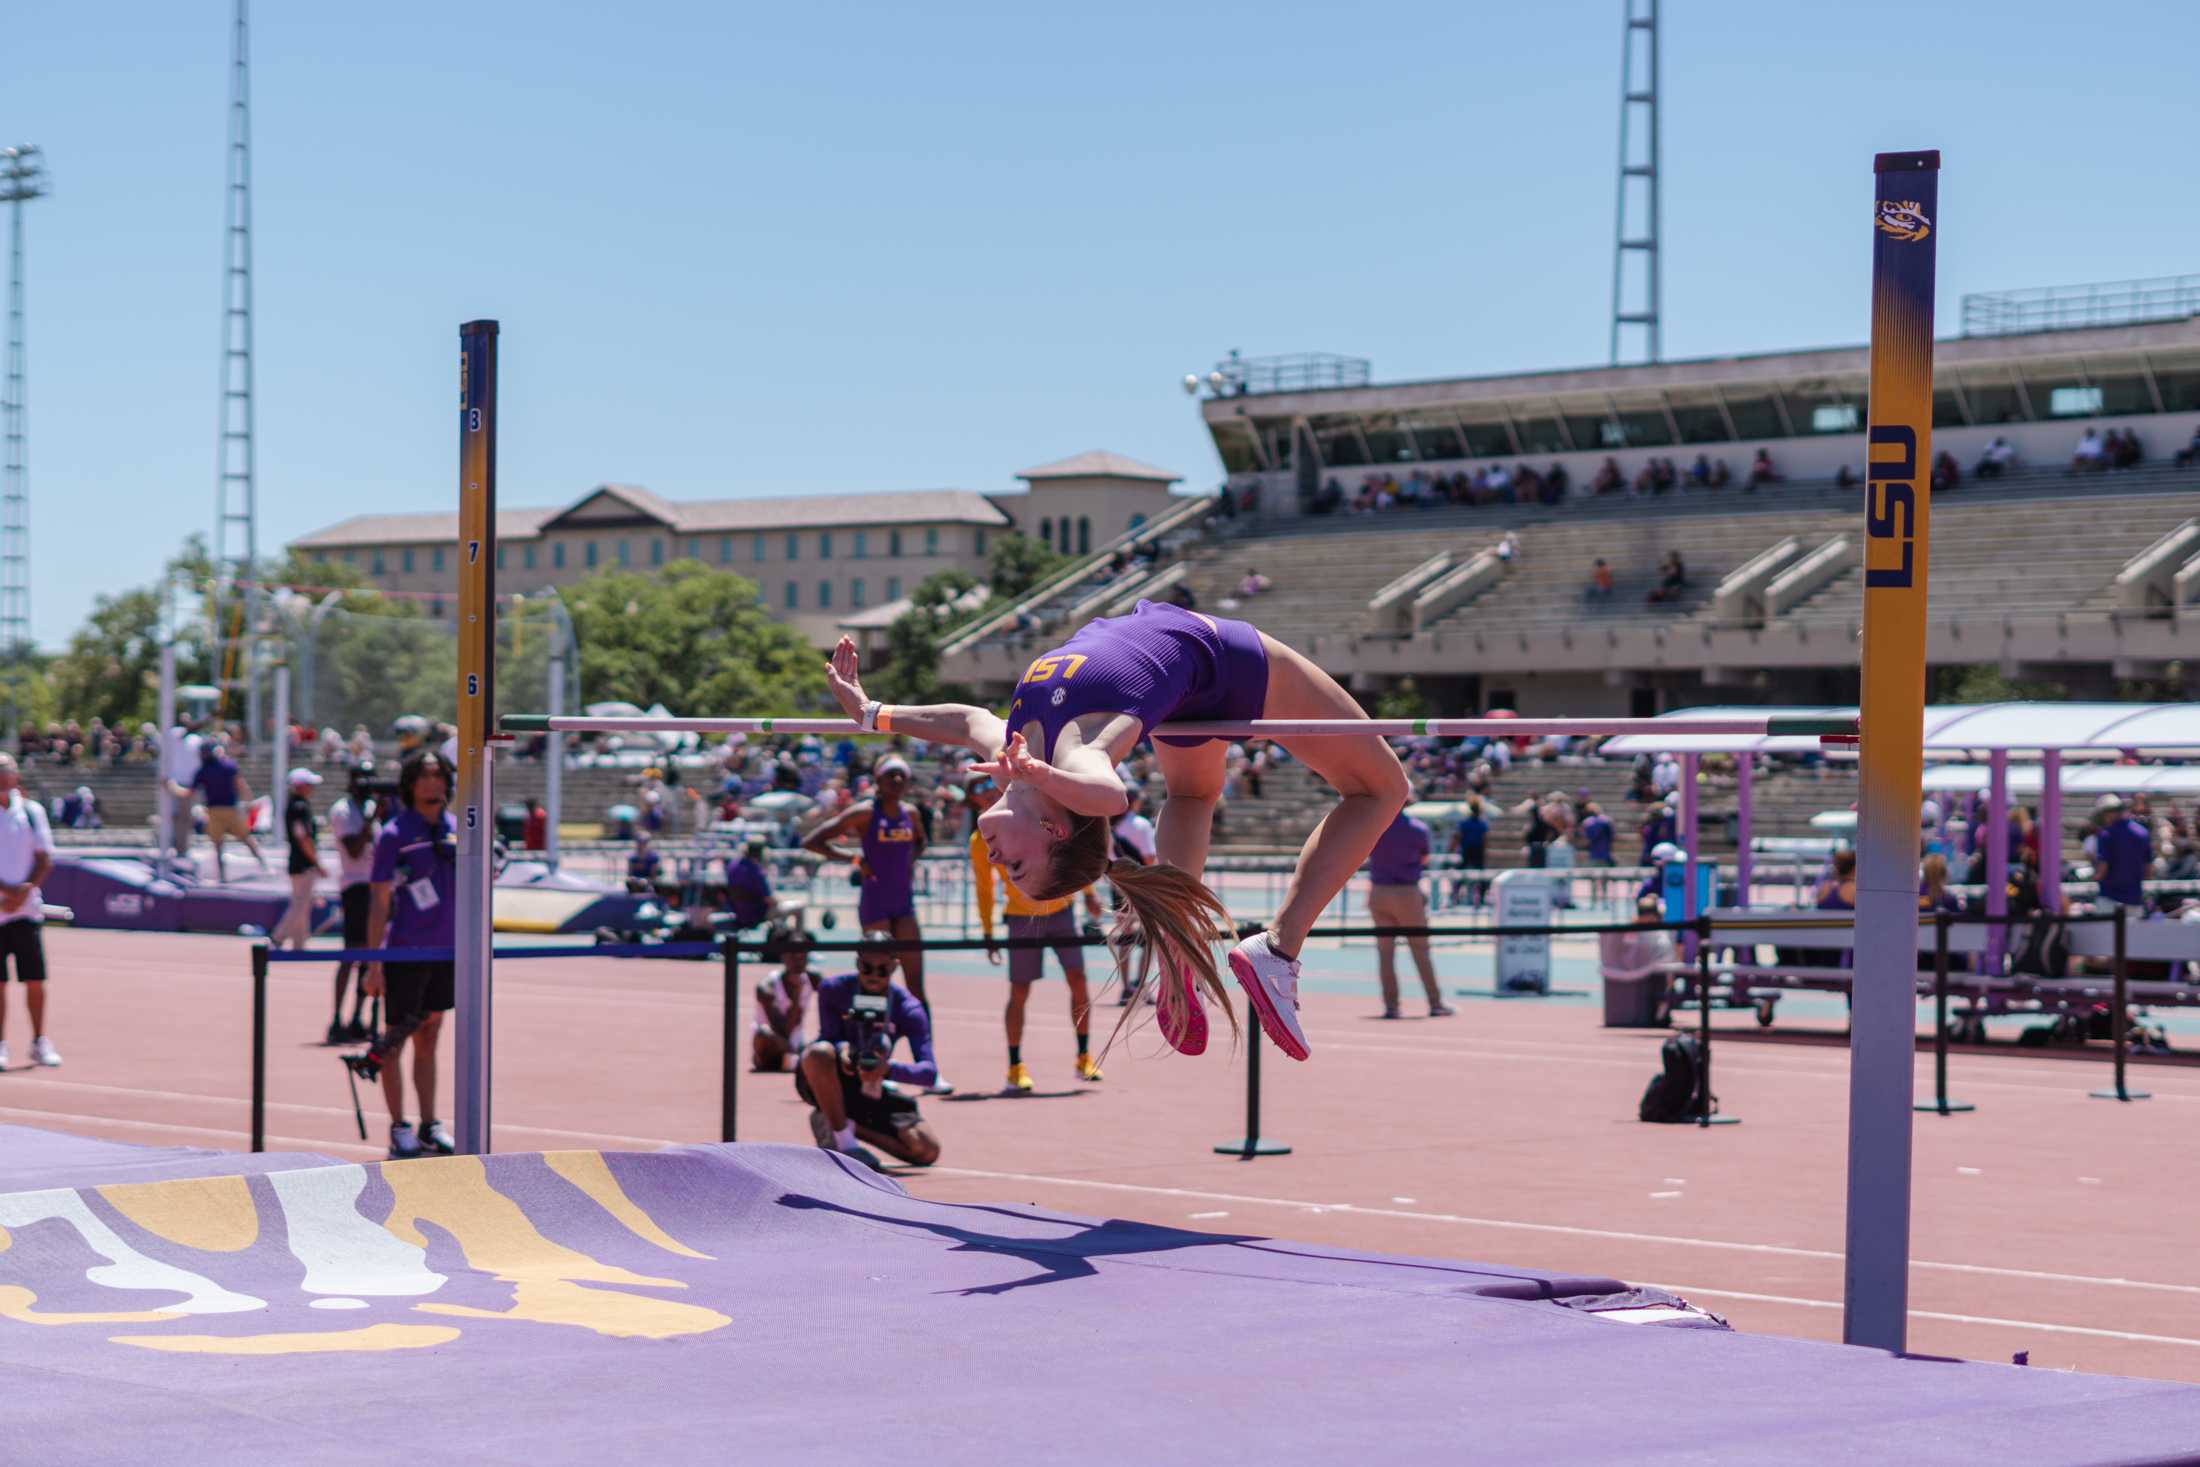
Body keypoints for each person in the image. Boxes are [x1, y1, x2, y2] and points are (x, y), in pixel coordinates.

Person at [823, 592, 1409, 1065]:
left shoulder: (1011, 752)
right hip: (1221, 659)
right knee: (1381, 788)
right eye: (1017, 866)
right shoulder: (1072, 768)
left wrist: (872, 712)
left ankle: (1177, 941)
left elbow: (965, 718)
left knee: (1192, 793)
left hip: (1181, 681)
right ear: (1054, 830)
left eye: (1005, 870)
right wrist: (1044, 773)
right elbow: (1109, 796)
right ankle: (1277, 949)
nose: (998, 861)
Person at [345, 750, 459, 1160]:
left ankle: (430, 1124)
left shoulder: (459, 828)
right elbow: (379, 902)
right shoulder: (394, 833)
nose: (433, 783)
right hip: (406, 951)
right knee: (395, 1040)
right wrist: (374, 964)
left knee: (430, 1037)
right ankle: (399, 1127)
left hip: (447, 951)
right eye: (425, 776)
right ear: (410, 784)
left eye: (439, 775)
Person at [969, 774, 1105, 1089]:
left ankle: (1084, 1056)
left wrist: (1087, 893)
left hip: (1061, 909)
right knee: (1020, 991)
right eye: (977, 789)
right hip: (1021, 918)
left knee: (1078, 979)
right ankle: (1015, 1065)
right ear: (972, 799)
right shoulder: (980, 841)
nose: (986, 791)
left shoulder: (1032, 815)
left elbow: (1066, 848)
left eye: (989, 784)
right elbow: (983, 889)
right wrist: (988, 932)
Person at [803, 754, 935, 1022]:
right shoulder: (864, 812)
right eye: (891, 775)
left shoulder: (910, 813)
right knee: (875, 983)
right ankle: (870, 1049)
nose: (897, 780)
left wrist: (910, 858)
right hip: (875, 903)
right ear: (877, 780)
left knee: (916, 986)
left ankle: (926, 1051)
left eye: (902, 775)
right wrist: (853, 859)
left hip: (904, 904)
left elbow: (922, 841)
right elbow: (813, 841)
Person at [797, 942, 942, 1168]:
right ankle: (846, 1143)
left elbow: (929, 1073)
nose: (874, 975)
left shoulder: (909, 1008)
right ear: (857, 962)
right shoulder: (833, 989)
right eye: (867, 967)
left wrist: (888, 1069)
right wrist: (842, 1050)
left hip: (873, 1082)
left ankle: (842, 1123)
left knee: (926, 1149)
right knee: (818, 1053)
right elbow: (828, 1036)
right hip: (833, 1077)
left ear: (895, 967)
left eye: (882, 969)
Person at [1363, 805, 1453, 1020]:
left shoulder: (1374, 826)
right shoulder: (1417, 828)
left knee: (1385, 953)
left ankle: (1391, 1006)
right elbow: (1424, 858)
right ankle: (1435, 1002)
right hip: (1407, 891)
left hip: (1379, 890)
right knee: (1420, 950)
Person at [0, 755, 58, 1070]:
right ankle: (1, 1044)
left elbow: (44, 857)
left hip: (26, 911)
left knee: (34, 980)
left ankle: (39, 1041)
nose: (4, 776)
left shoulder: (32, 812)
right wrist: (5, 891)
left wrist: (24, 890)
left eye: (7, 770)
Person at [326, 773, 380, 1044]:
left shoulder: (372, 808)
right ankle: (337, 1017)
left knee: (369, 956)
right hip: (355, 886)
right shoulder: (343, 811)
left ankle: (359, 1016)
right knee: (351, 954)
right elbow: (355, 850)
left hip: (374, 887)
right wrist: (370, 821)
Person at [173, 733, 264, 880]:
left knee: (219, 844)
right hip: (228, 809)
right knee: (244, 839)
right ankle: (261, 864)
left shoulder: (204, 770)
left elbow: (188, 793)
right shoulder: (226, 766)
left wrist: (171, 786)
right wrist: (248, 802)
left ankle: (223, 874)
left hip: (216, 811)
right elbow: (242, 786)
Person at [272, 768, 324, 952]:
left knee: (302, 905)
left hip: (297, 862)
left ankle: (299, 945)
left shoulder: (294, 806)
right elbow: (303, 838)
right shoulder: (300, 808)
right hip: (303, 864)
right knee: (300, 905)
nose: (312, 788)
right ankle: (277, 938)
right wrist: (316, 862)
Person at [751, 931, 815, 1073]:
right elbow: (784, 1029)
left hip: (795, 1043)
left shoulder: (813, 978)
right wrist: (798, 992)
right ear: (783, 955)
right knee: (764, 1033)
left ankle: (797, 1057)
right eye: (793, 953)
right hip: (770, 1046)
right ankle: (798, 1057)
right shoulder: (766, 987)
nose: (798, 959)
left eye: (802, 953)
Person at [2087, 794, 2152, 910]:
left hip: (2109, 899)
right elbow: (2148, 872)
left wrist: (2094, 877)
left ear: (2107, 813)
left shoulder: (2106, 834)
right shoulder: (2143, 833)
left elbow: (2102, 870)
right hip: (2135, 899)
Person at [723, 839, 774, 931]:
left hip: (737, 912)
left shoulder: (732, 865)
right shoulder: (756, 871)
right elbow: (768, 899)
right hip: (756, 914)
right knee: (795, 908)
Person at [1111, 784, 1158, 865]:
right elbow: (1149, 859)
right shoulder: (1141, 824)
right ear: (1136, 802)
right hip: (1136, 875)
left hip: (1110, 874)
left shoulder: (1108, 822)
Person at [1580, 801, 1615, 867]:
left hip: (1600, 849)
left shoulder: (1588, 821)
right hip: (1600, 849)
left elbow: (1585, 835)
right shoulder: (1606, 820)